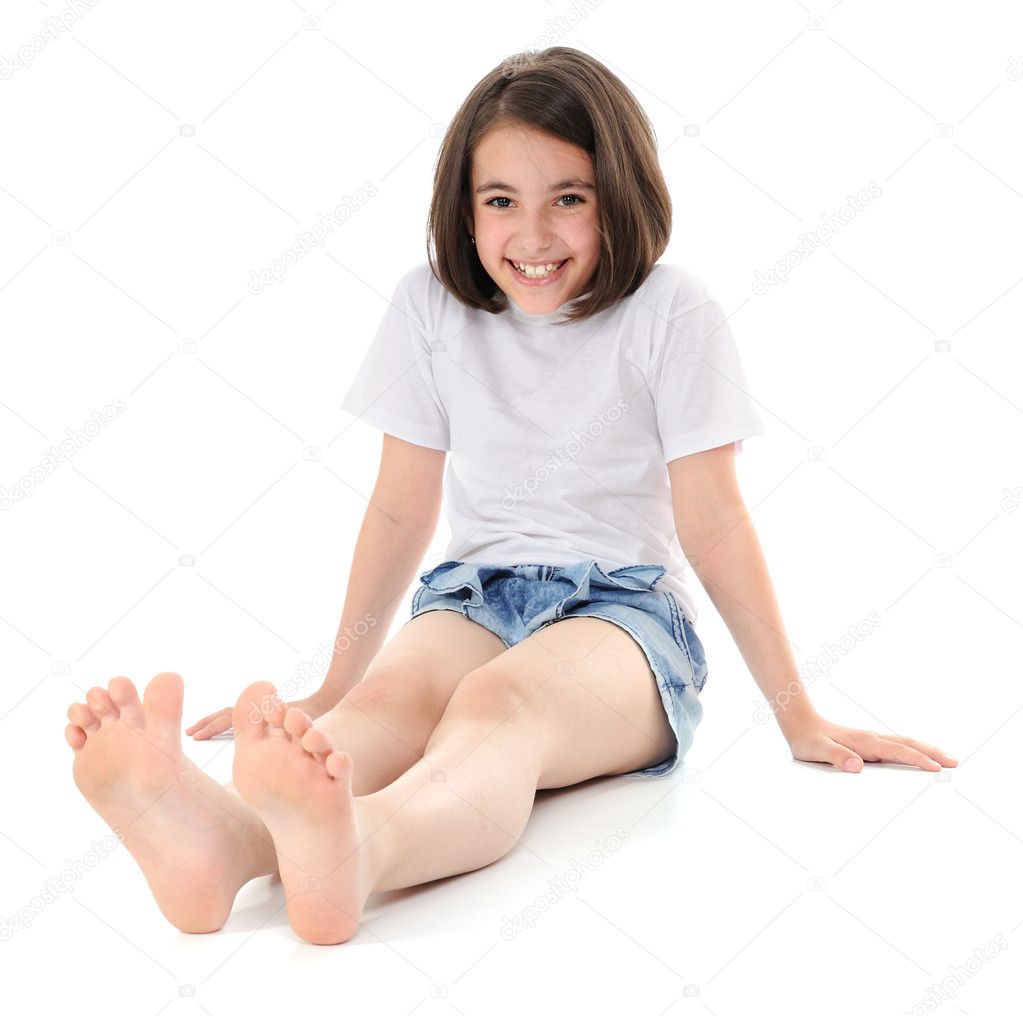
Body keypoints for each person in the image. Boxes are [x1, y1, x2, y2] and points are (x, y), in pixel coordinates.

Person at [64, 47, 957, 947]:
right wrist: (338, 684)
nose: (532, 236)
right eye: (501, 202)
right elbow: (398, 511)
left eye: (568, 198)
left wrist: (794, 710)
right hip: (474, 593)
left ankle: (363, 849)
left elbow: (714, 520)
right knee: (391, 703)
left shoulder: (669, 313)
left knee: (496, 705)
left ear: (622, 195)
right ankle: (228, 841)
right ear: (465, 211)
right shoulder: (429, 310)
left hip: (626, 613)